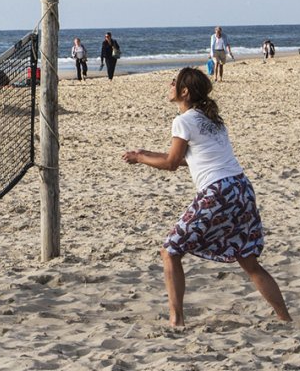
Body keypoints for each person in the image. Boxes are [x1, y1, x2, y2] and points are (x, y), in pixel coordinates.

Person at [122, 67, 291, 328]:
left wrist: (139, 158)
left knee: (170, 250)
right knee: (247, 259)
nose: (169, 84)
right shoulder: (211, 118)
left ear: (184, 91)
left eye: (173, 82)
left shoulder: (184, 120)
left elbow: (171, 163)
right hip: (241, 188)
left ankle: (176, 320)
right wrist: (147, 153)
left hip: (218, 191)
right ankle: (285, 318)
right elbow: (188, 160)